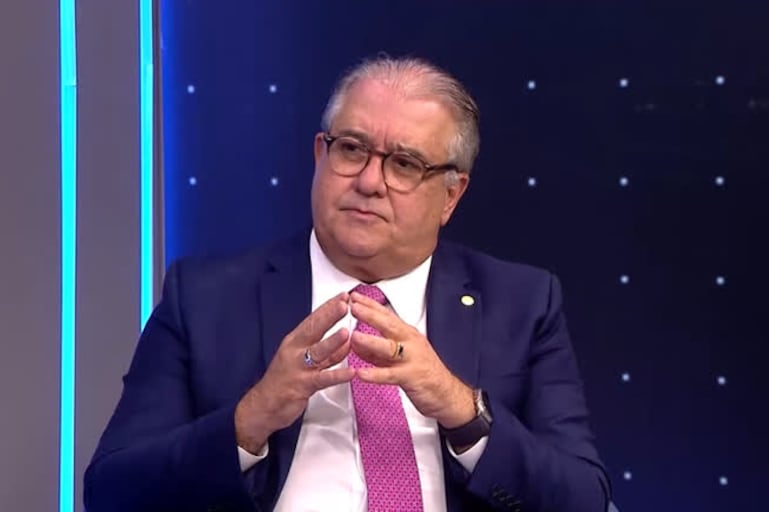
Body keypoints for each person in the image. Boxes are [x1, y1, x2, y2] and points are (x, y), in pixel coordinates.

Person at [84, 56, 611, 511]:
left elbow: (584, 499)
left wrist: (461, 410)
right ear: (321, 155)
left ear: (451, 196)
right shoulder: (205, 298)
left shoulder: (521, 304)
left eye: (404, 163)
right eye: (352, 149)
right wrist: (251, 418)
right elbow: (112, 491)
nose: (369, 181)